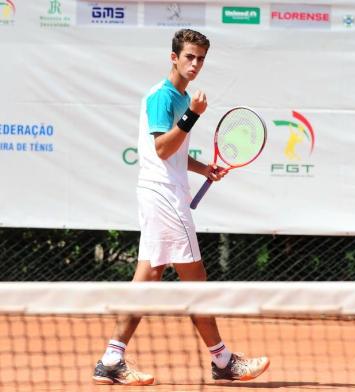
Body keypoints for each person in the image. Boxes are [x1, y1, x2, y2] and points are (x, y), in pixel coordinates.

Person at [92, 28, 270, 386]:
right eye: (189, 56)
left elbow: (173, 152)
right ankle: (222, 360)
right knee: (196, 282)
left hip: (161, 193)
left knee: (148, 277)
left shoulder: (179, 96)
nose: (195, 64)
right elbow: (161, 149)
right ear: (174, 57)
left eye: (201, 58)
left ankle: (112, 359)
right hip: (165, 198)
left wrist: (203, 167)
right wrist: (192, 115)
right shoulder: (165, 98)